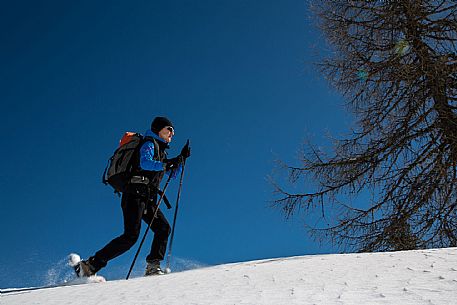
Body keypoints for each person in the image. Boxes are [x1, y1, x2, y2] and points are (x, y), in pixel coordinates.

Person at [77, 116, 191, 276]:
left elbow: (171, 175)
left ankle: (153, 266)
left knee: (163, 228)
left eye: (173, 131)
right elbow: (145, 163)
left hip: (148, 198)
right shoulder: (149, 143)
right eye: (169, 129)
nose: (172, 133)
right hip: (134, 195)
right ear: (159, 129)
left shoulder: (162, 153)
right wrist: (168, 163)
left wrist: (180, 160)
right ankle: (90, 265)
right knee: (131, 236)